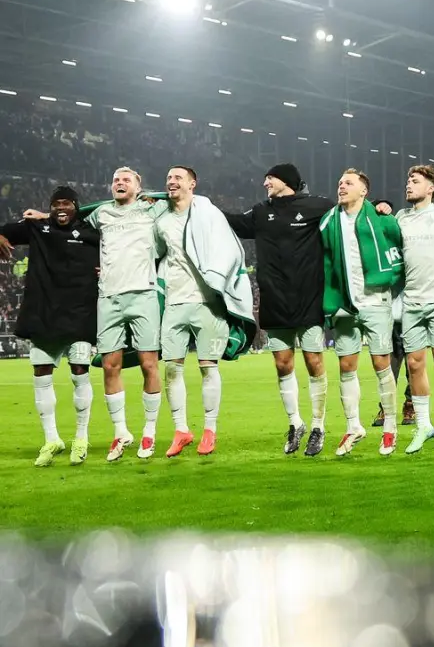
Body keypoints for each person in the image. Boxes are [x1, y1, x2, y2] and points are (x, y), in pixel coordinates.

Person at [225, 163, 335, 457]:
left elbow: (350, 217)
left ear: (285, 181)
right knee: (283, 363)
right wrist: (200, 206)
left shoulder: (317, 206)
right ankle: (295, 423)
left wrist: (382, 207)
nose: (265, 184)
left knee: (314, 361)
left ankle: (318, 426)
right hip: (274, 297)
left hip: (308, 297)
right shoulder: (261, 212)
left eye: (269, 178)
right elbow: (232, 222)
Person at [149, 166, 257, 458]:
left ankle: (210, 430)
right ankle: (181, 430)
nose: (171, 181)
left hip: (207, 302)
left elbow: (229, 250)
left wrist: (219, 281)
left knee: (208, 366)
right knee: (171, 368)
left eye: (177, 178)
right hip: (174, 301)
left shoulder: (209, 214)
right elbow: (157, 253)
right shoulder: (161, 221)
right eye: (168, 177)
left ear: (192, 183)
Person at [0, 186, 99, 467]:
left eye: (66, 203)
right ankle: (51, 438)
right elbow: (5, 229)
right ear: (50, 207)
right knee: (41, 374)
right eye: (55, 204)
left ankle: (81, 437)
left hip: (80, 313)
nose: (60, 208)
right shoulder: (36, 228)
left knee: (80, 372)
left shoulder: (92, 231)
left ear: (76, 206)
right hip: (44, 314)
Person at [75, 167, 164, 461]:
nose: (119, 183)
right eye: (115, 180)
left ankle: (149, 431)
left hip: (143, 294)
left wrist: (154, 196)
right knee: (110, 366)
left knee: (148, 364)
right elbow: (71, 216)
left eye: (126, 180)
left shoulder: (152, 209)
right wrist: (41, 216)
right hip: (109, 297)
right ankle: (120, 432)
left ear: (139, 187)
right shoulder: (100, 214)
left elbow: (178, 196)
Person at [320, 169, 405, 456]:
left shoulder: (380, 218)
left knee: (382, 363)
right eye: (340, 182)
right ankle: (353, 425)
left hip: (375, 299)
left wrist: (394, 279)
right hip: (343, 301)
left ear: (364, 191)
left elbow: (399, 245)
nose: (341, 186)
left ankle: (390, 428)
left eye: (348, 183)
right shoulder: (329, 221)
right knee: (346, 366)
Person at [395, 165, 434, 455]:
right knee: (414, 365)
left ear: (431, 187)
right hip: (411, 300)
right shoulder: (401, 217)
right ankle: (424, 425)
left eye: (416, 181)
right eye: (408, 180)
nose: (409, 185)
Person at [370, 199, 416, 429]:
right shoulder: (380, 247)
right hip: (389, 310)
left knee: (413, 364)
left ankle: (410, 404)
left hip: (413, 307)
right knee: (389, 363)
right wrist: (379, 205)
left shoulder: (406, 238)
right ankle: (386, 407)